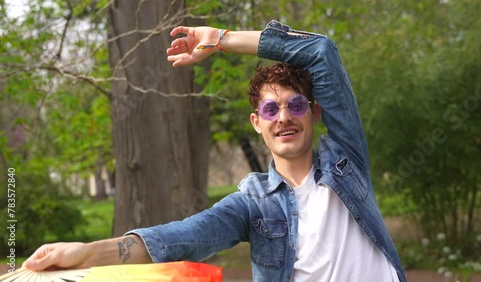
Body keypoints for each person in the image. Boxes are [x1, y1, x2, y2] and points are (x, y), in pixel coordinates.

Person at [23, 21, 406, 281]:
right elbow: (184, 236)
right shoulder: (253, 203)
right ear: (257, 122)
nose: (284, 117)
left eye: (297, 105)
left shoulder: (346, 160)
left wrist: (220, 38)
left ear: (315, 113)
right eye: (271, 109)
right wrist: (86, 253)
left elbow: (321, 50)